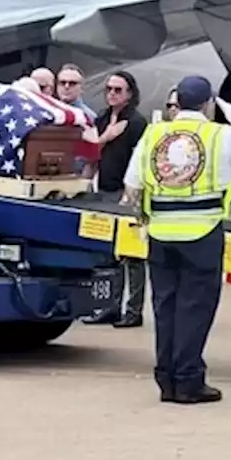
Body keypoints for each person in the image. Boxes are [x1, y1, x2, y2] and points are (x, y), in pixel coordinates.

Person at [123, 75, 231, 404]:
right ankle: (189, 379)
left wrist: (147, 219)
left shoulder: (155, 134)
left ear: (176, 102)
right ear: (208, 103)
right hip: (202, 232)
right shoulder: (220, 135)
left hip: (161, 233)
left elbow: (132, 185)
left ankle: (166, 379)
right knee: (195, 309)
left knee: (165, 308)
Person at [84, 70, 148, 327]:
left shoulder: (136, 122)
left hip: (126, 193)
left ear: (130, 94)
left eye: (118, 90)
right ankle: (109, 306)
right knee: (108, 255)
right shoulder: (101, 119)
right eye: (109, 89)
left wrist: (131, 194)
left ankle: (133, 311)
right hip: (104, 190)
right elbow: (93, 153)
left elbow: (140, 161)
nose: (112, 94)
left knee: (132, 256)